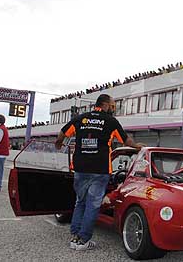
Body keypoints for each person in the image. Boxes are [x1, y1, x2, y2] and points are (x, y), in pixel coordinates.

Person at [55, 94, 136, 251]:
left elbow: (63, 132)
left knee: (80, 202)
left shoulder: (81, 118)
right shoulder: (111, 121)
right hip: (100, 170)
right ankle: (84, 240)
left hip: (80, 168)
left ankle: (75, 237)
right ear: (105, 105)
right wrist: (138, 147)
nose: (114, 108)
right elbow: (127, 141)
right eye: (113, 106)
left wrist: (58, 143)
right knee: (92, 205)